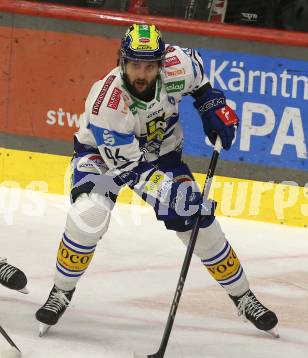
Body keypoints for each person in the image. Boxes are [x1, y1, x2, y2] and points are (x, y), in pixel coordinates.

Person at [35, 23, 278, 336]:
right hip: (103, 157)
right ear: (122, 62)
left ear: (162, 64)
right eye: (135, 64)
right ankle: (61, 291)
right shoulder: (107, 102)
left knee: (199, 223)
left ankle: (243, 296)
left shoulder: (177, 66)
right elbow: (130, 169)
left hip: (162, 155)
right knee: (89, 213)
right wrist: (174, 194)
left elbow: (201, 79)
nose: (141, 73)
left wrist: (211, 104)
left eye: (150, 66)